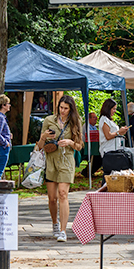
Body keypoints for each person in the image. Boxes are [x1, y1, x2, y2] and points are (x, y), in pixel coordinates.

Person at [37, 95, 83, 242]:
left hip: (66, 162)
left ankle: (63, 231)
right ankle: (55, 223)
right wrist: (44, 136)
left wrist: (70, 142)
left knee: (63, 194)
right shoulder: (49, 120)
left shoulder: (76, 122)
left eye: (66, 108)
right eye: (61, 107)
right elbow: (39, 146)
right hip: (51, 161)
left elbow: (79, 146)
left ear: (71, 109)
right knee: (52, 198)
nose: (62, 111)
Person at [98, 98, 129, 172]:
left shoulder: (109, 120)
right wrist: (118, 132)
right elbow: (108, 136)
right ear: (108, 108)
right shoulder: (104, 119)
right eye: (113, 109)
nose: (115, 111)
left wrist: (121, 132)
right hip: (108, 150)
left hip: (114, 149)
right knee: (110, 173)